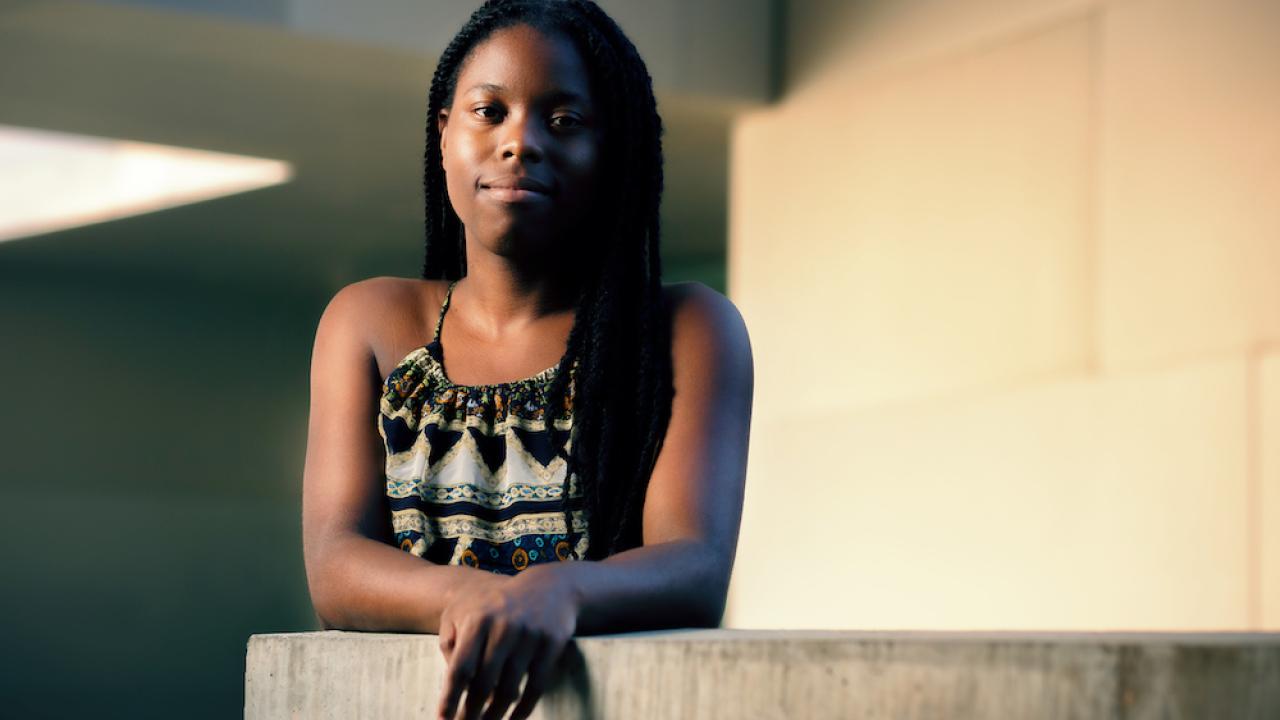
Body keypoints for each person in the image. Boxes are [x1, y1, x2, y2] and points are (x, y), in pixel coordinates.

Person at [300, 1, 753, 718]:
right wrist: (481, 600)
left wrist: (559, 590)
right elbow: (336, 565)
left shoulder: (686, 328)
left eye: (565, 120)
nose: (521, 142)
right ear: (443, 132)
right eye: (489, 110)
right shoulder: (370, 322)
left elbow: (695, 564)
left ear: (615, 151)